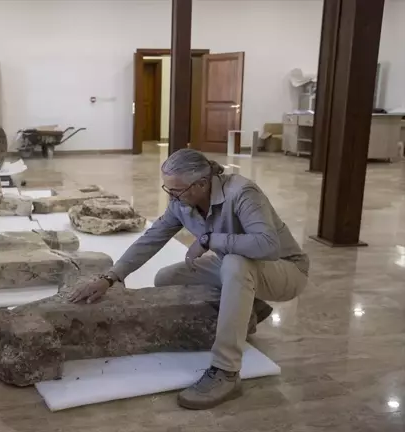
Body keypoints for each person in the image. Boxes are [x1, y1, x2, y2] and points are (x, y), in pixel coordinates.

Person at [69, 148, 309, 410]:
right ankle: (248, 307)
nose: (172, 197)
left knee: (235, 264)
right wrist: (110, 277)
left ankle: (226, 371)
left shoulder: (242, 193)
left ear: (203, 183)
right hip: (238, 264)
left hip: (284, 270)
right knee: (167, 277)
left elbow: (268, 246)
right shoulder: (183, 202)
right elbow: (152, 238)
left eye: (177, 190)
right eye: (168, 189)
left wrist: (210, 239)